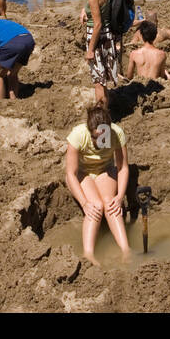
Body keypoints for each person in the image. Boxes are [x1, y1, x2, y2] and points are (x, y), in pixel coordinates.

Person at [64, 104, 131, 265]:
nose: (100, 141)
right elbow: (70, 174)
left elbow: (122, 168)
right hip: (81, 174)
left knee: (110, 202)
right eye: (96, 137)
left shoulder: (117, 134)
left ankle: (126, 250)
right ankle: (89, 254)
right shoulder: (78, 135)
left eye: (104, 137)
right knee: (96, 205)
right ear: (90, 131)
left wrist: (120, 196)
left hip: (104, 171)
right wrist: (84, 203)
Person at [67, 0, 121, 106]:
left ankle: (102, 115)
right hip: (108, 35)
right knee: (103, 78)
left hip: (97, 37)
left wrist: (90, 50)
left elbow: (97, 24)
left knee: (98, 81)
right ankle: (106, 110)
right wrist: (85, 9)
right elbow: (99, 3)